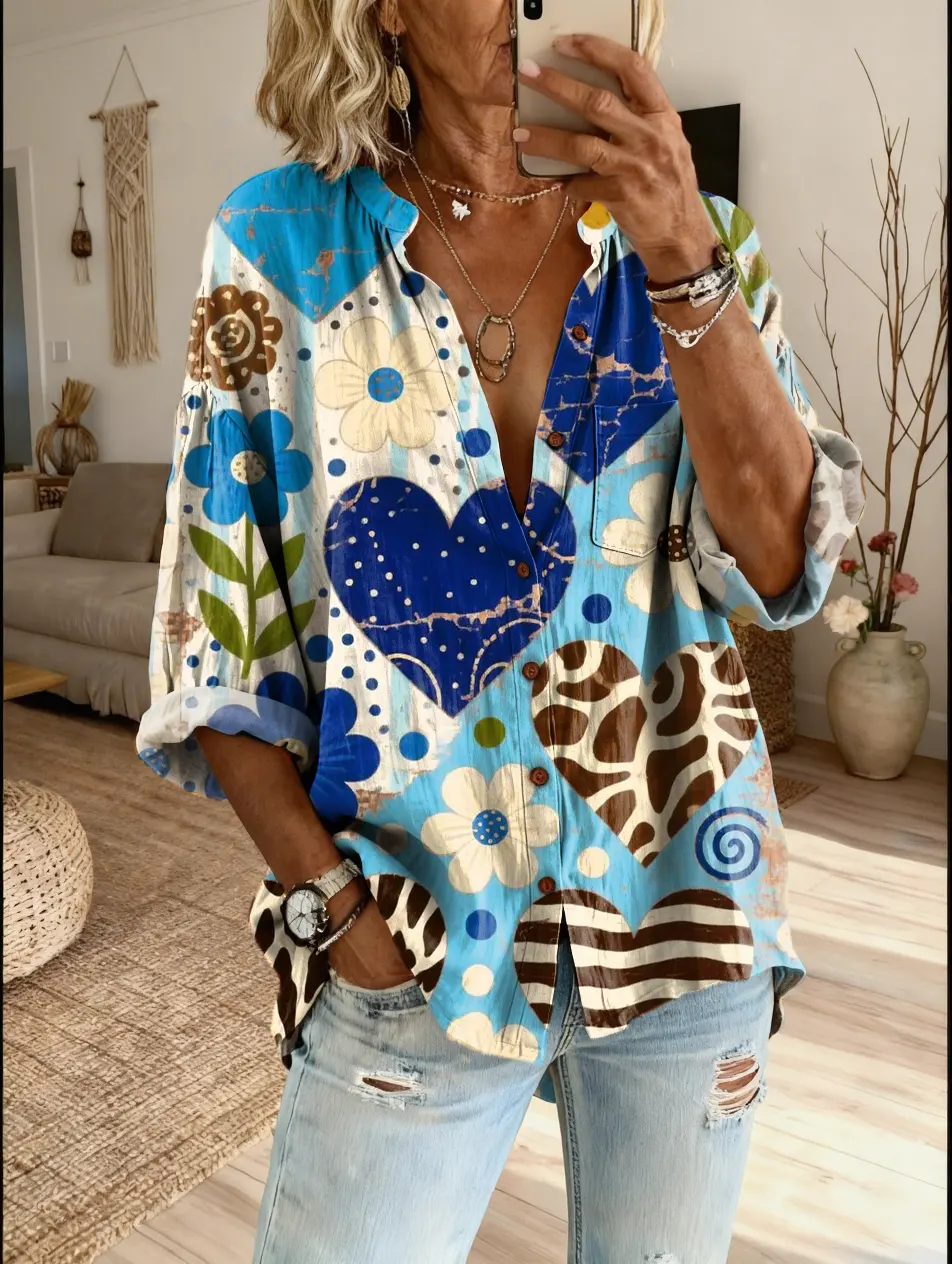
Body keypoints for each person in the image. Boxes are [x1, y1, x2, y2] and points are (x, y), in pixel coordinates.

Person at [138, 1, 863, 1260]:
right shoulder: (274, 248)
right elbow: (216, 635)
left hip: (684, 915)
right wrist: (336, 914)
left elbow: (784, 568)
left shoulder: (698, 239)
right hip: (411, 938)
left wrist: (682, 253)